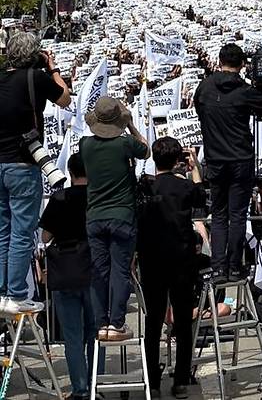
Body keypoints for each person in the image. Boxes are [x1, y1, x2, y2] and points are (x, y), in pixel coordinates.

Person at [194, 43, 262, 279]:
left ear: (219, 61)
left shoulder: (204, 88)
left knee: (220, 215)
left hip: (215, 160)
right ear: (243, 64)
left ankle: (218, 267)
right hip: (240, 160)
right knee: (238, 215)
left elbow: (199, 112)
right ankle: (234, 265)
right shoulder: (245, 91)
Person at [0, 31, 71, 314]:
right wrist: (52, 67)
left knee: (2, 231)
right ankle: (16, 293)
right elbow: (65, 99)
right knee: (21, 231)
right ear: (35, 55)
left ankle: (3, 291)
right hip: (23, 163)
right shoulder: (36, 78)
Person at [137, 137, 207, 399]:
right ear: (179, 160)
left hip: (152, 260)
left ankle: (152, 381)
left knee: (153, 322)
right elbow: (202, 198)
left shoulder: (145, 187)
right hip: (181, 260)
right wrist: (195, 167)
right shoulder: (185, 186)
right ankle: (180, 380)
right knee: (182, 322)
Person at [80, 97, 150, 341]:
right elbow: (146, 148)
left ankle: (101, 324)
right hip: (122, 215)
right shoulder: (125, 145)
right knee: (120, 271)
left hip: (95, 216)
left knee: (99, 271)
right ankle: (117, 323)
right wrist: (130, 124)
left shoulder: (84, 145)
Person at [40, 153, 95, 400]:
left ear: (70, 173)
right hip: (93, 269)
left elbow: (45, 238)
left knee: (72, 336)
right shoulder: (98, 198)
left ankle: (80, 389)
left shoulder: (59, 198)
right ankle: (97, 384)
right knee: (95, 332)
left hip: (65, 271)